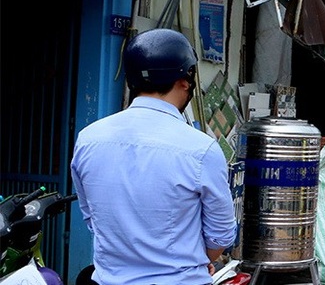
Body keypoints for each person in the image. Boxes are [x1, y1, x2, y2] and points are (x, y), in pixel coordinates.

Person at [71, 29, 236, 285]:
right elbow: (222, 235)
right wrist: (197, 260)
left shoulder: (88, 139)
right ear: (185, 81)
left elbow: (93, 219)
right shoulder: (201, 149)